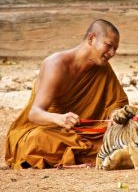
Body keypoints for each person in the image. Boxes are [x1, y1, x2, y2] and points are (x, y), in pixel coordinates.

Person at [5, 19, 129, 169]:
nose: (111, 53)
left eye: (115, 49)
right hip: (53, 130)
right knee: (37, 140)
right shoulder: (56, 64)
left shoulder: (102, 67)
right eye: (108, 46)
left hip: (89, 133)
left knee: (128, 134)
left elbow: (116, 103)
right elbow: (35, 113)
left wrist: (115, 116)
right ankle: (92, 153)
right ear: (91, 38)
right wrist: (60, 119)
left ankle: (89, 152)